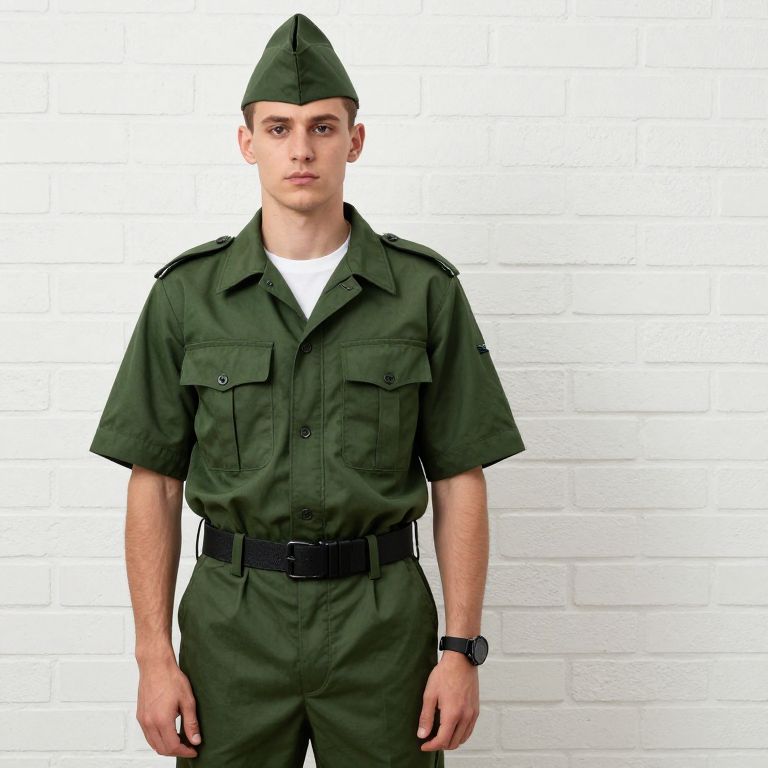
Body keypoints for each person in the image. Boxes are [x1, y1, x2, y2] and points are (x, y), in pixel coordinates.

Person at [89, 12, 526, 768]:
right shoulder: (187, 297)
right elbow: (153, 481)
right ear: (247, 142)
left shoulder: (423, 292)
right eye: (279, 128)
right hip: (232, 628)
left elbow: (460, 477)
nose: (300, 149)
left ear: (355, 141)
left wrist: (460, 650)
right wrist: (153, 657)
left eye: (323, 127)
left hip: (381, 628)